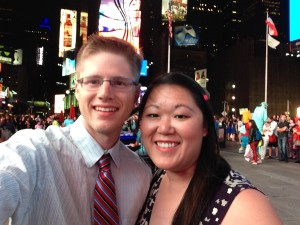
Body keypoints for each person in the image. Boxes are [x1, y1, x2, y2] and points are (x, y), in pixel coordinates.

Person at [0, 35, 152, 225]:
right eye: (93, 81)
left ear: (136, 95)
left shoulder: (142, 175)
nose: (104, 93)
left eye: (119, 82)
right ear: (78, 90)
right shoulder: (34, 152)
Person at [135, 72, 282, 225]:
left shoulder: (246, 207)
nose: (164, 128)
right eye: (153, 114)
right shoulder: (155, 180)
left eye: (180, 116)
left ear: (205, 126)